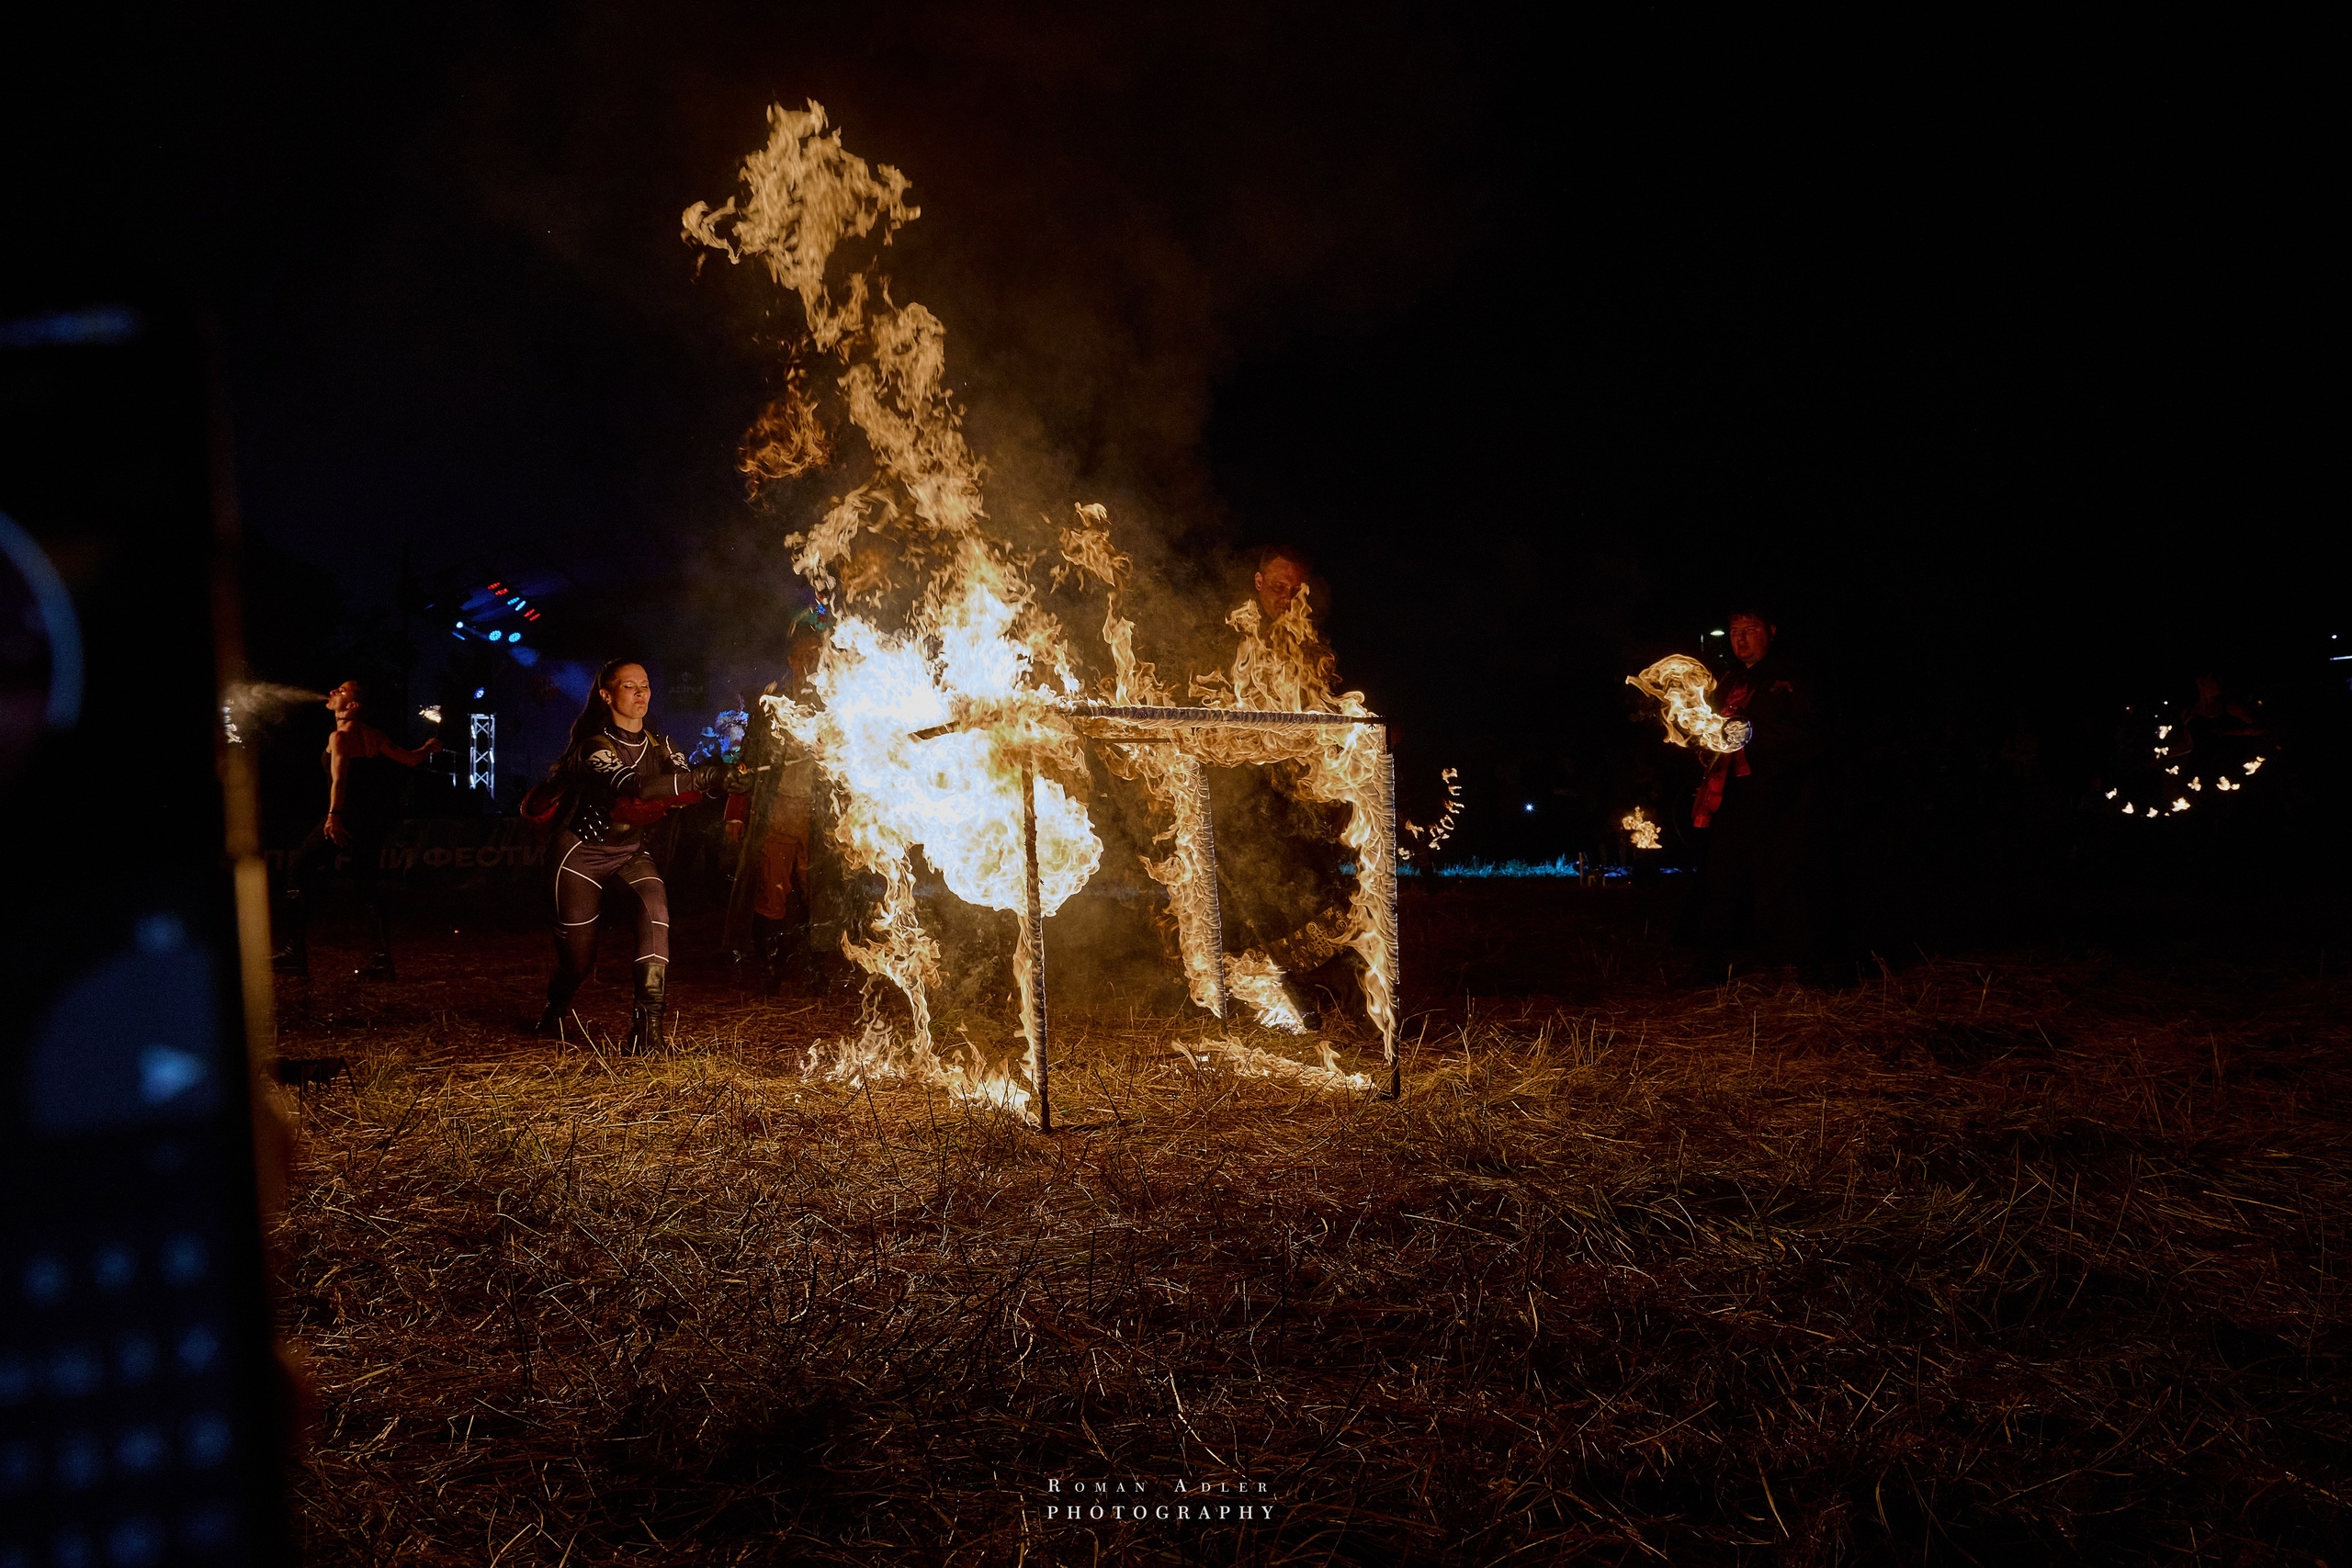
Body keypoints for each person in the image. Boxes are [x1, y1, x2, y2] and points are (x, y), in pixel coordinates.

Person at [534, 660, 727, 1052]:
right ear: (607, 695)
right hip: (580, 857)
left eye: (645, 685)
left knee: (657, 916)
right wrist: (706, 777)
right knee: (579, 962)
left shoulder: (663, 746)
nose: (641, 693)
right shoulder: (595, 746)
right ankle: (554, 1011)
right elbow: (636, 786)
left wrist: (722, 783)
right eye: (629, 686)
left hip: (629, 852)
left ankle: (647, 1031)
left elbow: (680, 794)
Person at [1682, 606, 1842, 986]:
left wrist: (1750, 735)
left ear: (1770, 631)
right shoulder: (1727, 680)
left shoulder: (1793, 676)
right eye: (1734, 630)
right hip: (1731, 796)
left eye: (1749, 630)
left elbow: (1811, 733)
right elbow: (1715, 731)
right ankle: (1709, 963)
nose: (1740, 639)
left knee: (1787, 877)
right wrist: (1706, 747)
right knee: (1720, 877)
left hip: (1781, 795)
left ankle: (1806, 966)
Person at [274, 680, 441, 980]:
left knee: (298, 866)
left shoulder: (339, 738)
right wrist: (427, 748)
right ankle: (382, 962)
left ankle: (293, 954)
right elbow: (411, 758)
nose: (332, 692)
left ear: (352, 706)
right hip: (372, 821)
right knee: (367, 886)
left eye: (341, 691)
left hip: (346, 818)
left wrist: (333, 816)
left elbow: (340, 781)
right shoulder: (373, 736)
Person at [724, 626, 825, 993]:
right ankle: (770, 972)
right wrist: (735, 810)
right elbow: (749, 759)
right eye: (806, 654)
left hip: (820, 819)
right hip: (778, 813)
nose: (813, 660)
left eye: (819, 652)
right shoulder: (772, 700)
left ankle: (819, 972)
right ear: (792, 660)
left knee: (820, 894)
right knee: (772, 894)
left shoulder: (835, 700)